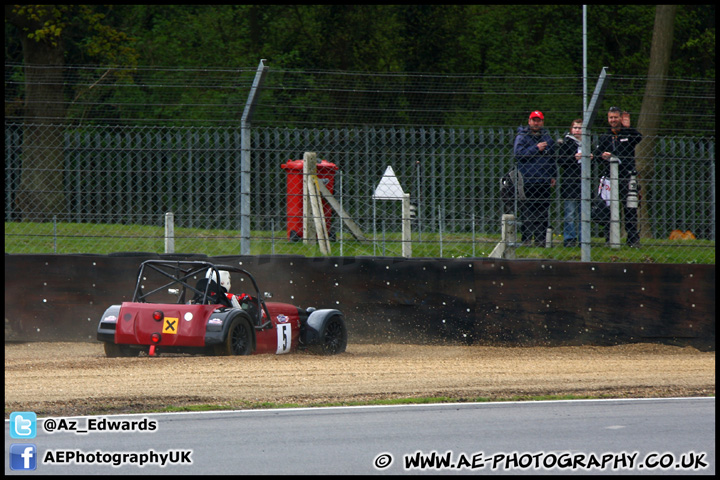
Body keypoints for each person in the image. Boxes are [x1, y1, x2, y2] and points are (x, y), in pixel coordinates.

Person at [593, 107, 643, 247]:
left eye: (615, 117)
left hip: (627, 177)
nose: (613, 120)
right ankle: (610, 239)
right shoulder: (605, 137)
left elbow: (639, 138)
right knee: (609, 209)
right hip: (610, 178)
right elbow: (596, 155)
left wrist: (629, 128)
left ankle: (633, 240)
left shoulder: (628, 134)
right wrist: (603, 156)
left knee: (630, 208)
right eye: (611, 118)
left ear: (620, 118)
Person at [513, 110, 556, 246]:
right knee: (527, 211)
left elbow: (552, 158)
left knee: (543, 212)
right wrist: (536, 148)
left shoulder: (547, 138)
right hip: (527, 180)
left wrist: (553, 175)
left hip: (543, 180)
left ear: (542, 122)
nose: (536, 123)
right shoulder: (522, 137)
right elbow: (519, 154)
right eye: (534, 120)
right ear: (529, 121)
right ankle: (526, 239)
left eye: (539, 120)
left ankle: (540, 240)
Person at [556, 119, 587, 247]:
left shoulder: (587, 143)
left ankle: (583, 238)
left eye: (580, 128)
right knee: (570, 213)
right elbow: (561, 161)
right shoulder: (567, 143)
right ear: (571, 129)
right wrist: (573, 158)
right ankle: (569, 238)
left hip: (584, 182)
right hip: (570, 182)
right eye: (575, 128)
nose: (577, 130)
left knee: (583, 213)